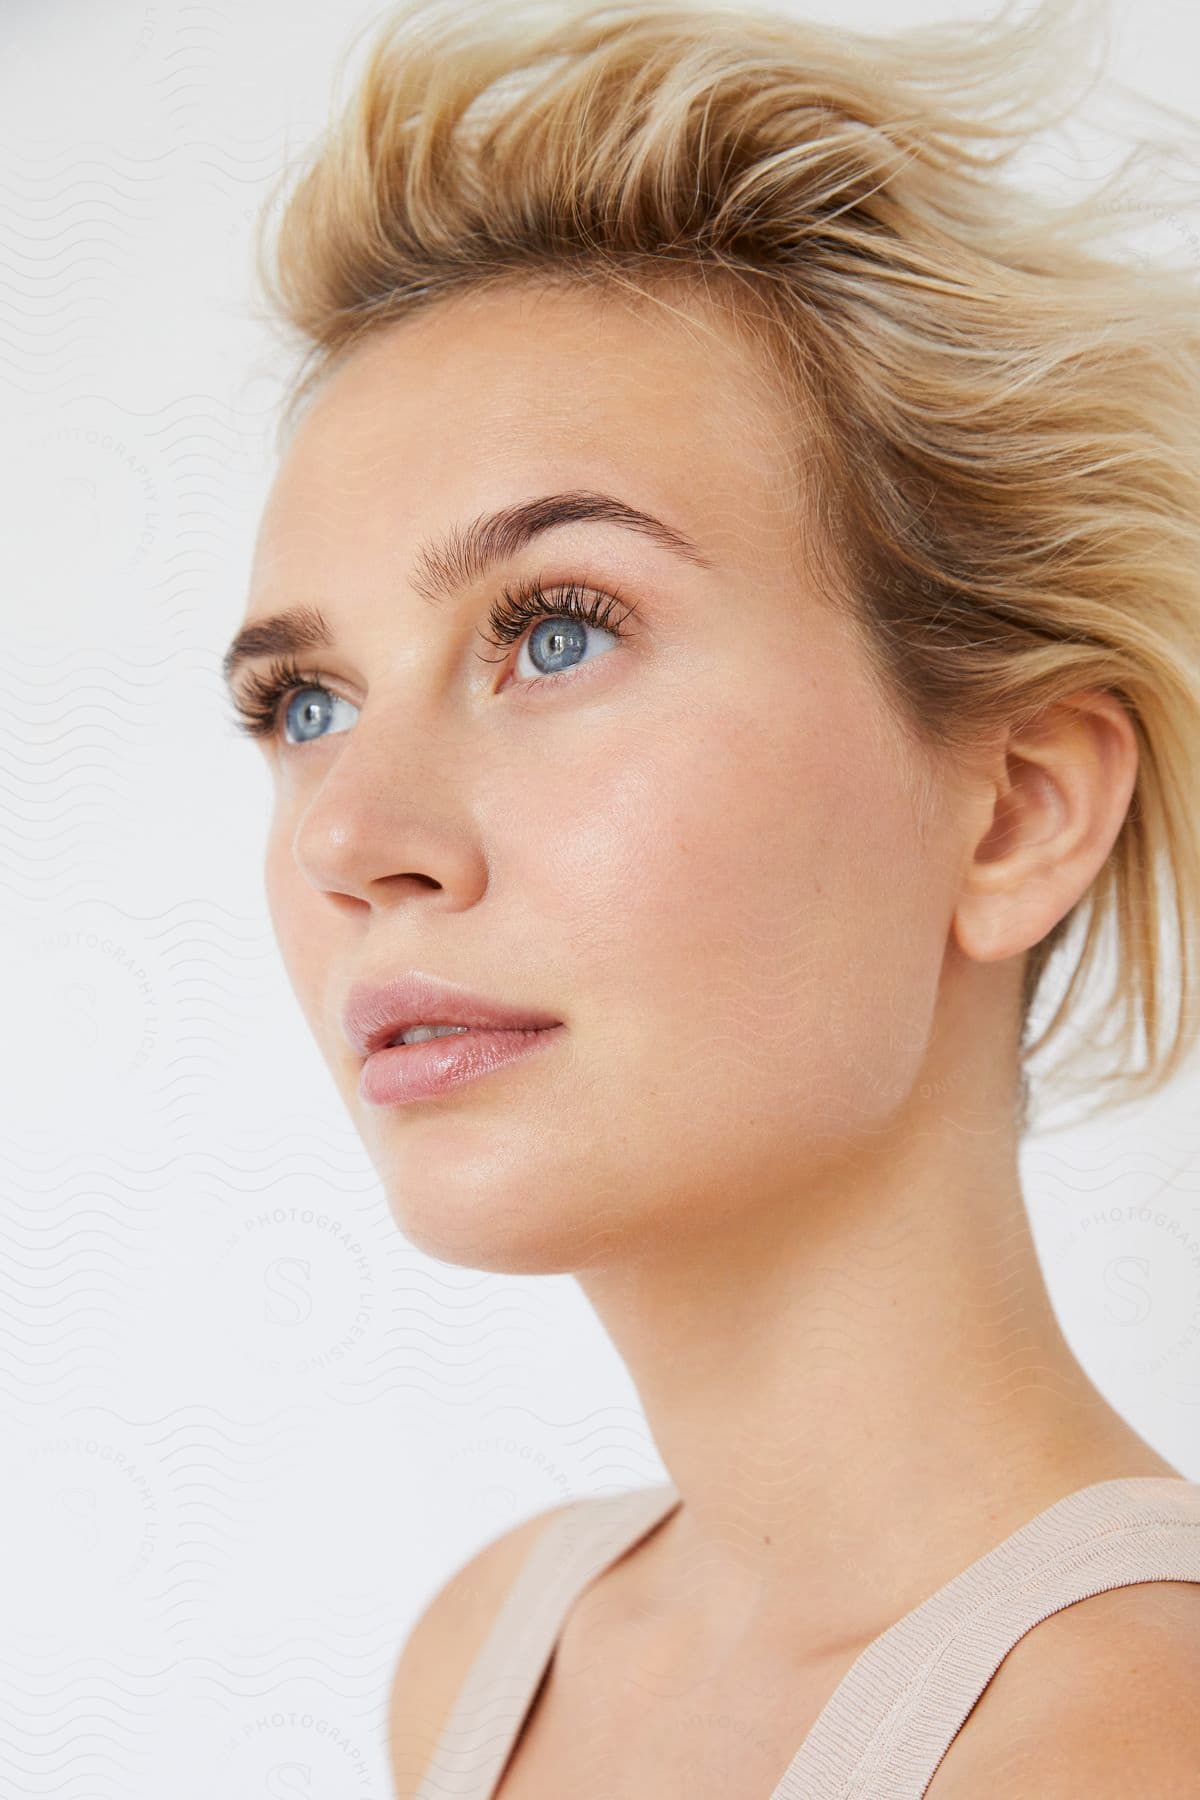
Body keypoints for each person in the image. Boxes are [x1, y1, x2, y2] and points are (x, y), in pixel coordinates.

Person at [220, 0, 1200, 1793]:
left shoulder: (1129, 1734)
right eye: (305, 704)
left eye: (558, 630)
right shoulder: (490, 1661)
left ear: (1018, 814)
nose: (350, 834)